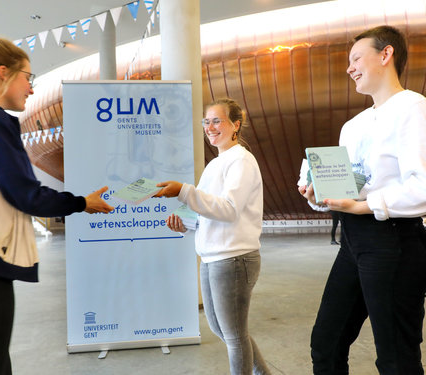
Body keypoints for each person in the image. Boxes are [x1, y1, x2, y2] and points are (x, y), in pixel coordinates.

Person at [0, 36, 114, 375]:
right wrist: (82, 203)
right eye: (28, 77)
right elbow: (26, 195)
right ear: (2, 73)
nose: (32, 89)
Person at [298, 25, 426, 374]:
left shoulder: (413, 108)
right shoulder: (353, 125)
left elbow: (422, 187)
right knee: (325, 343)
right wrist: (318, 194)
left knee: (396, 357)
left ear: (386, 55)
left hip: (394, 242)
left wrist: (363, 205)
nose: (349, 68)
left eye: (356, 58)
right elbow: (349, 186)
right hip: (353, 241)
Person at [155, 98, 271, 375]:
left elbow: (229, 209)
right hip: (213, 257)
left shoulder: (241, 160)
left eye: (217, 120)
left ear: (235, 125)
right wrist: (185, 222)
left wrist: (184, 191)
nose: (210, 127)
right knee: (223, 330)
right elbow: (210, 210)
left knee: (233, 335)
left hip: (234, 258)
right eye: (206, 121)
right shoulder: (216, 163)